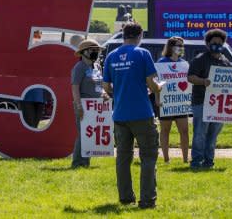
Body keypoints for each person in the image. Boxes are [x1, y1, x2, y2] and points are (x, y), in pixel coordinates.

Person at [102, 22, 162, 209]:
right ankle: (147, 200)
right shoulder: (142, 54)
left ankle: (126, 197)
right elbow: (151, 83)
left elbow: (106, 87)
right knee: (148, 157)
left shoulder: (111, 56)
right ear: (140, 36)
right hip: (142, 113)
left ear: (122, 34)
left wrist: (120, 91)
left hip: (119, 114)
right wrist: (159, 87)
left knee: (122, 158)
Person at [187, 28, 232, 171]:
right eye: (214, 42)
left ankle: (209, 160)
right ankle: (196, 160)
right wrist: (204, 81)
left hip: (219, 105)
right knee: (200, 133)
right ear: (208, 44)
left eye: (220, 42)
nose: (217, 45)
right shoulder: (200, 59)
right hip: (201, 102)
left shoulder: (226, 62)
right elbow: (190, 77)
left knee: (213, 134)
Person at [71, 38, 104, 168]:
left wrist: (104, 95)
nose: (96, 53)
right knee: (83, 134)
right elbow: (75, 87)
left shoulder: (97, 66)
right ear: (84, 52)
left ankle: (86, 162)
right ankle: (78, 162)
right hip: (83, 105)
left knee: (91, 135)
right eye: (93, 50)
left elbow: (100, 85)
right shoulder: (79, 67)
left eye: (97, 50)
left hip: (96, 106)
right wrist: (78, 106)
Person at [156, 36, 190, 163]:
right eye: (178, 45)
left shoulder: (184, 64)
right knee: (165, 130)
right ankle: (166, 159)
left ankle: (186, 159)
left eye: (182, 45)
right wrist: (157, 99)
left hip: (181, 102)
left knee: (185, 131)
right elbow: (156, 83)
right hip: (165, 102)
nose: (180, 48)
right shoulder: (161, 63)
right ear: (170, 47)